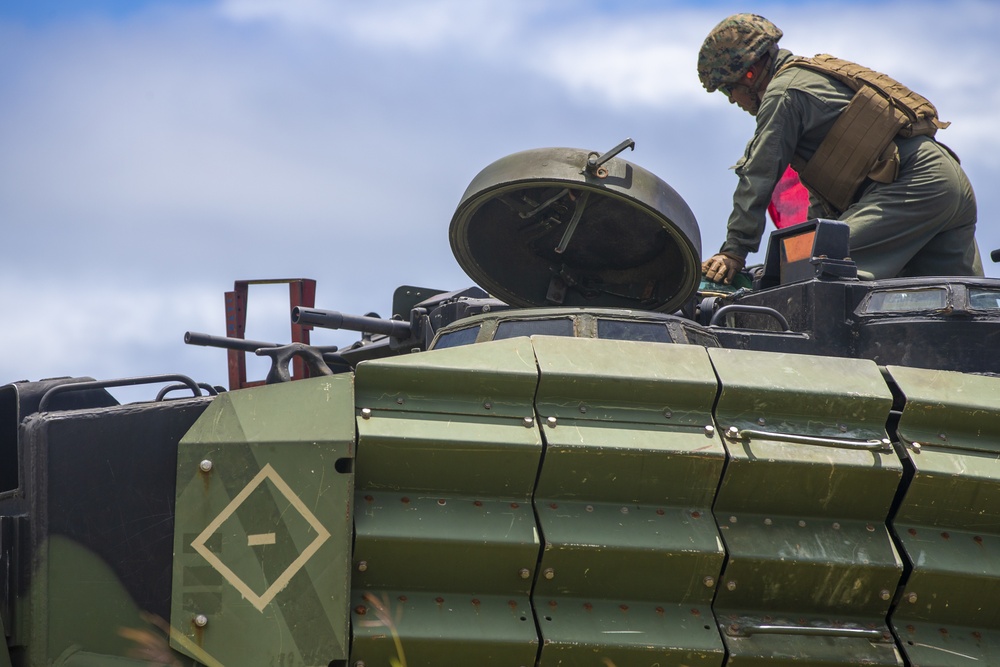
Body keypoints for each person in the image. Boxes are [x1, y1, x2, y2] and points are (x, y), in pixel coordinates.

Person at [698, 13, 984, 284]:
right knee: (960, 314)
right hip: (945, 181)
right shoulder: (813, 75)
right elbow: (827, 194)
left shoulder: (783, 94)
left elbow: (759, 172)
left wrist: (734, 250)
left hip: (913, 186)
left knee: (810, 268)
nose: (733, 101)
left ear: (749, 74)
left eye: (727, 89)